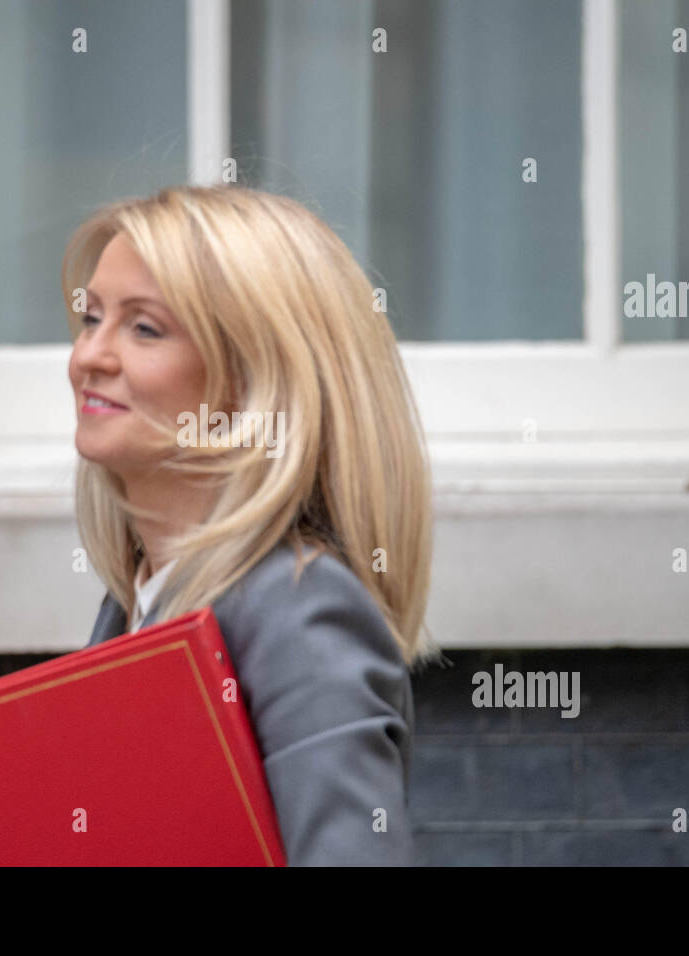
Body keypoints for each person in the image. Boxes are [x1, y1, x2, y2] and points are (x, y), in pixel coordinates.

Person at [63, 184, 437, 866]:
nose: (90, 356)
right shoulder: (133, 602)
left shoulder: (300, 606)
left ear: (253, 381)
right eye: (91, 319)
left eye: (144, 328)